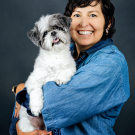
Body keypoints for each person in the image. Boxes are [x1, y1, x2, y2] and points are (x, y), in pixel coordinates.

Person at [9, 0, 130, 135]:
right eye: (77, 15)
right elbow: (23, 119)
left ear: (108, 22)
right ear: (68, 22)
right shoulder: (65, 51)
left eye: (93, 15)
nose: (83, 23)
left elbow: (54, 102)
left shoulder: (110, 63)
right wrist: (19, 125)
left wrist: (20, 89)